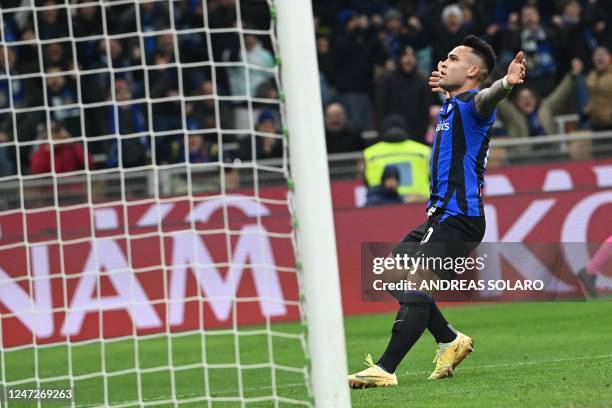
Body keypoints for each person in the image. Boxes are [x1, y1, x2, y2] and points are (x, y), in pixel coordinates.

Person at [348, 35, 527, 387]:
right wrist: (447, 91)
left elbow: (489, 97)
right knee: (388, 273)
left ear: (473, 70)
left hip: (458, 218)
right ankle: (449, 339)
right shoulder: (451, 104)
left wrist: (505, 82)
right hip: (440, 218)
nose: (442, 62)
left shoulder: (476, 103)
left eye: (452, 58)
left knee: (416, 285)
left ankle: (385, 369)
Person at [363, 115, 430, 200]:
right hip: (419, 202)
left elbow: (366, 182)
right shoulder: (424, 151)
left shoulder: (370, 153)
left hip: (383, 204)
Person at [374, 46, 431, 144]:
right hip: (390, 134)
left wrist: (421, 134)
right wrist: (382, 132)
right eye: (405, 55)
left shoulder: (421, 81)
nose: (409, 60)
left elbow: (424, 111)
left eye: (412, 56)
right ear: (399, 58)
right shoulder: (387, 80)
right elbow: (379, 109)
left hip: (415, 136)